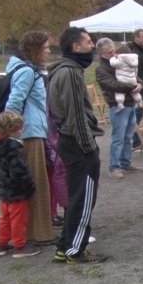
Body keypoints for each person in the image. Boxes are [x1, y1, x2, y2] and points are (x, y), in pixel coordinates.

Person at [49, 27, 107, 264]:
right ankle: (75, 250)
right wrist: (89, 148)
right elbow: (76, 116)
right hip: (77, 144)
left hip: (70, 141)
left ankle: (65, 246)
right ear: (75, 47)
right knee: (83, 199)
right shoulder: (70, 72)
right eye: (88, 42)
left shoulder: (63, 70)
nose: (92, 46)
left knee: (76, 197)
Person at [5, 31, 55, 246]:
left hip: (33, 132)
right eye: (46, 48)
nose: (49, 51)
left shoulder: (26, 70)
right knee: (37, 185)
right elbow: (14, 103)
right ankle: (38, 234)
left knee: (36, 184)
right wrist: (14, 133)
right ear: (34, 49)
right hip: (29, 135)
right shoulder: (26, 72)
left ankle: (35, 232)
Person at [0, 110, 41, 258]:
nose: (21, 131)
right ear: (10, 130)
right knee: (19, 219)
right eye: (19, 128)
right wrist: (30, 186)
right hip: (17, 191)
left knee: (5, 218)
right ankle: (20, 246)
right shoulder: (12, 149)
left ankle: (1, 244)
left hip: (4, 190)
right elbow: (19, 172)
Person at [95, 38, 143, 179]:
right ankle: (114, 167)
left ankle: (125, 163)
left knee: (128, 136)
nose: (113, 54)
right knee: (118, 138)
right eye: (109, 53)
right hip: (117, 106)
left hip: (130, 103)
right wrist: (133, 86)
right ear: (101, 54)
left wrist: (140, 83)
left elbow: (134, 75)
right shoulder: (101, 69)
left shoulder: (120, 61)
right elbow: (113, 85)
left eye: (113, 51)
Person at [110, 45, 143, 111]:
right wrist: (135, 78)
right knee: (135, 92)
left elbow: (113, 63)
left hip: (122, 79)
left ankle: (120, 104)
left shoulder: (120, 60)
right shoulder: (134, 60)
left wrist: (113, 58)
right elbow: (136, 71)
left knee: (120, 92)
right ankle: (139, 101)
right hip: (132, 79)